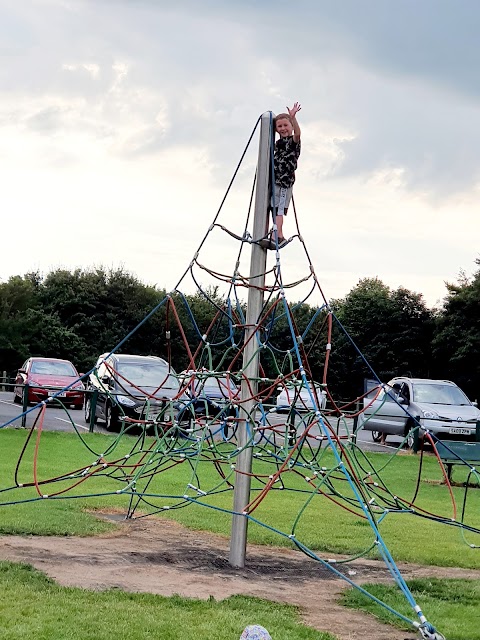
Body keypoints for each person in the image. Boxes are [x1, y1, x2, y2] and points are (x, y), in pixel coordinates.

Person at [271, 102, 301, 246]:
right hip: (274, 178)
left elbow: (298, 134)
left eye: (285, 125)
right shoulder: (278, 143)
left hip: (284, 181)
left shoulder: (293, 141)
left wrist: (293, 118)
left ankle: (278, 234)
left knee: (279, 209)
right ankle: (269, 232)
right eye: (279, 126)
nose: (283, 128)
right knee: (271, 207)